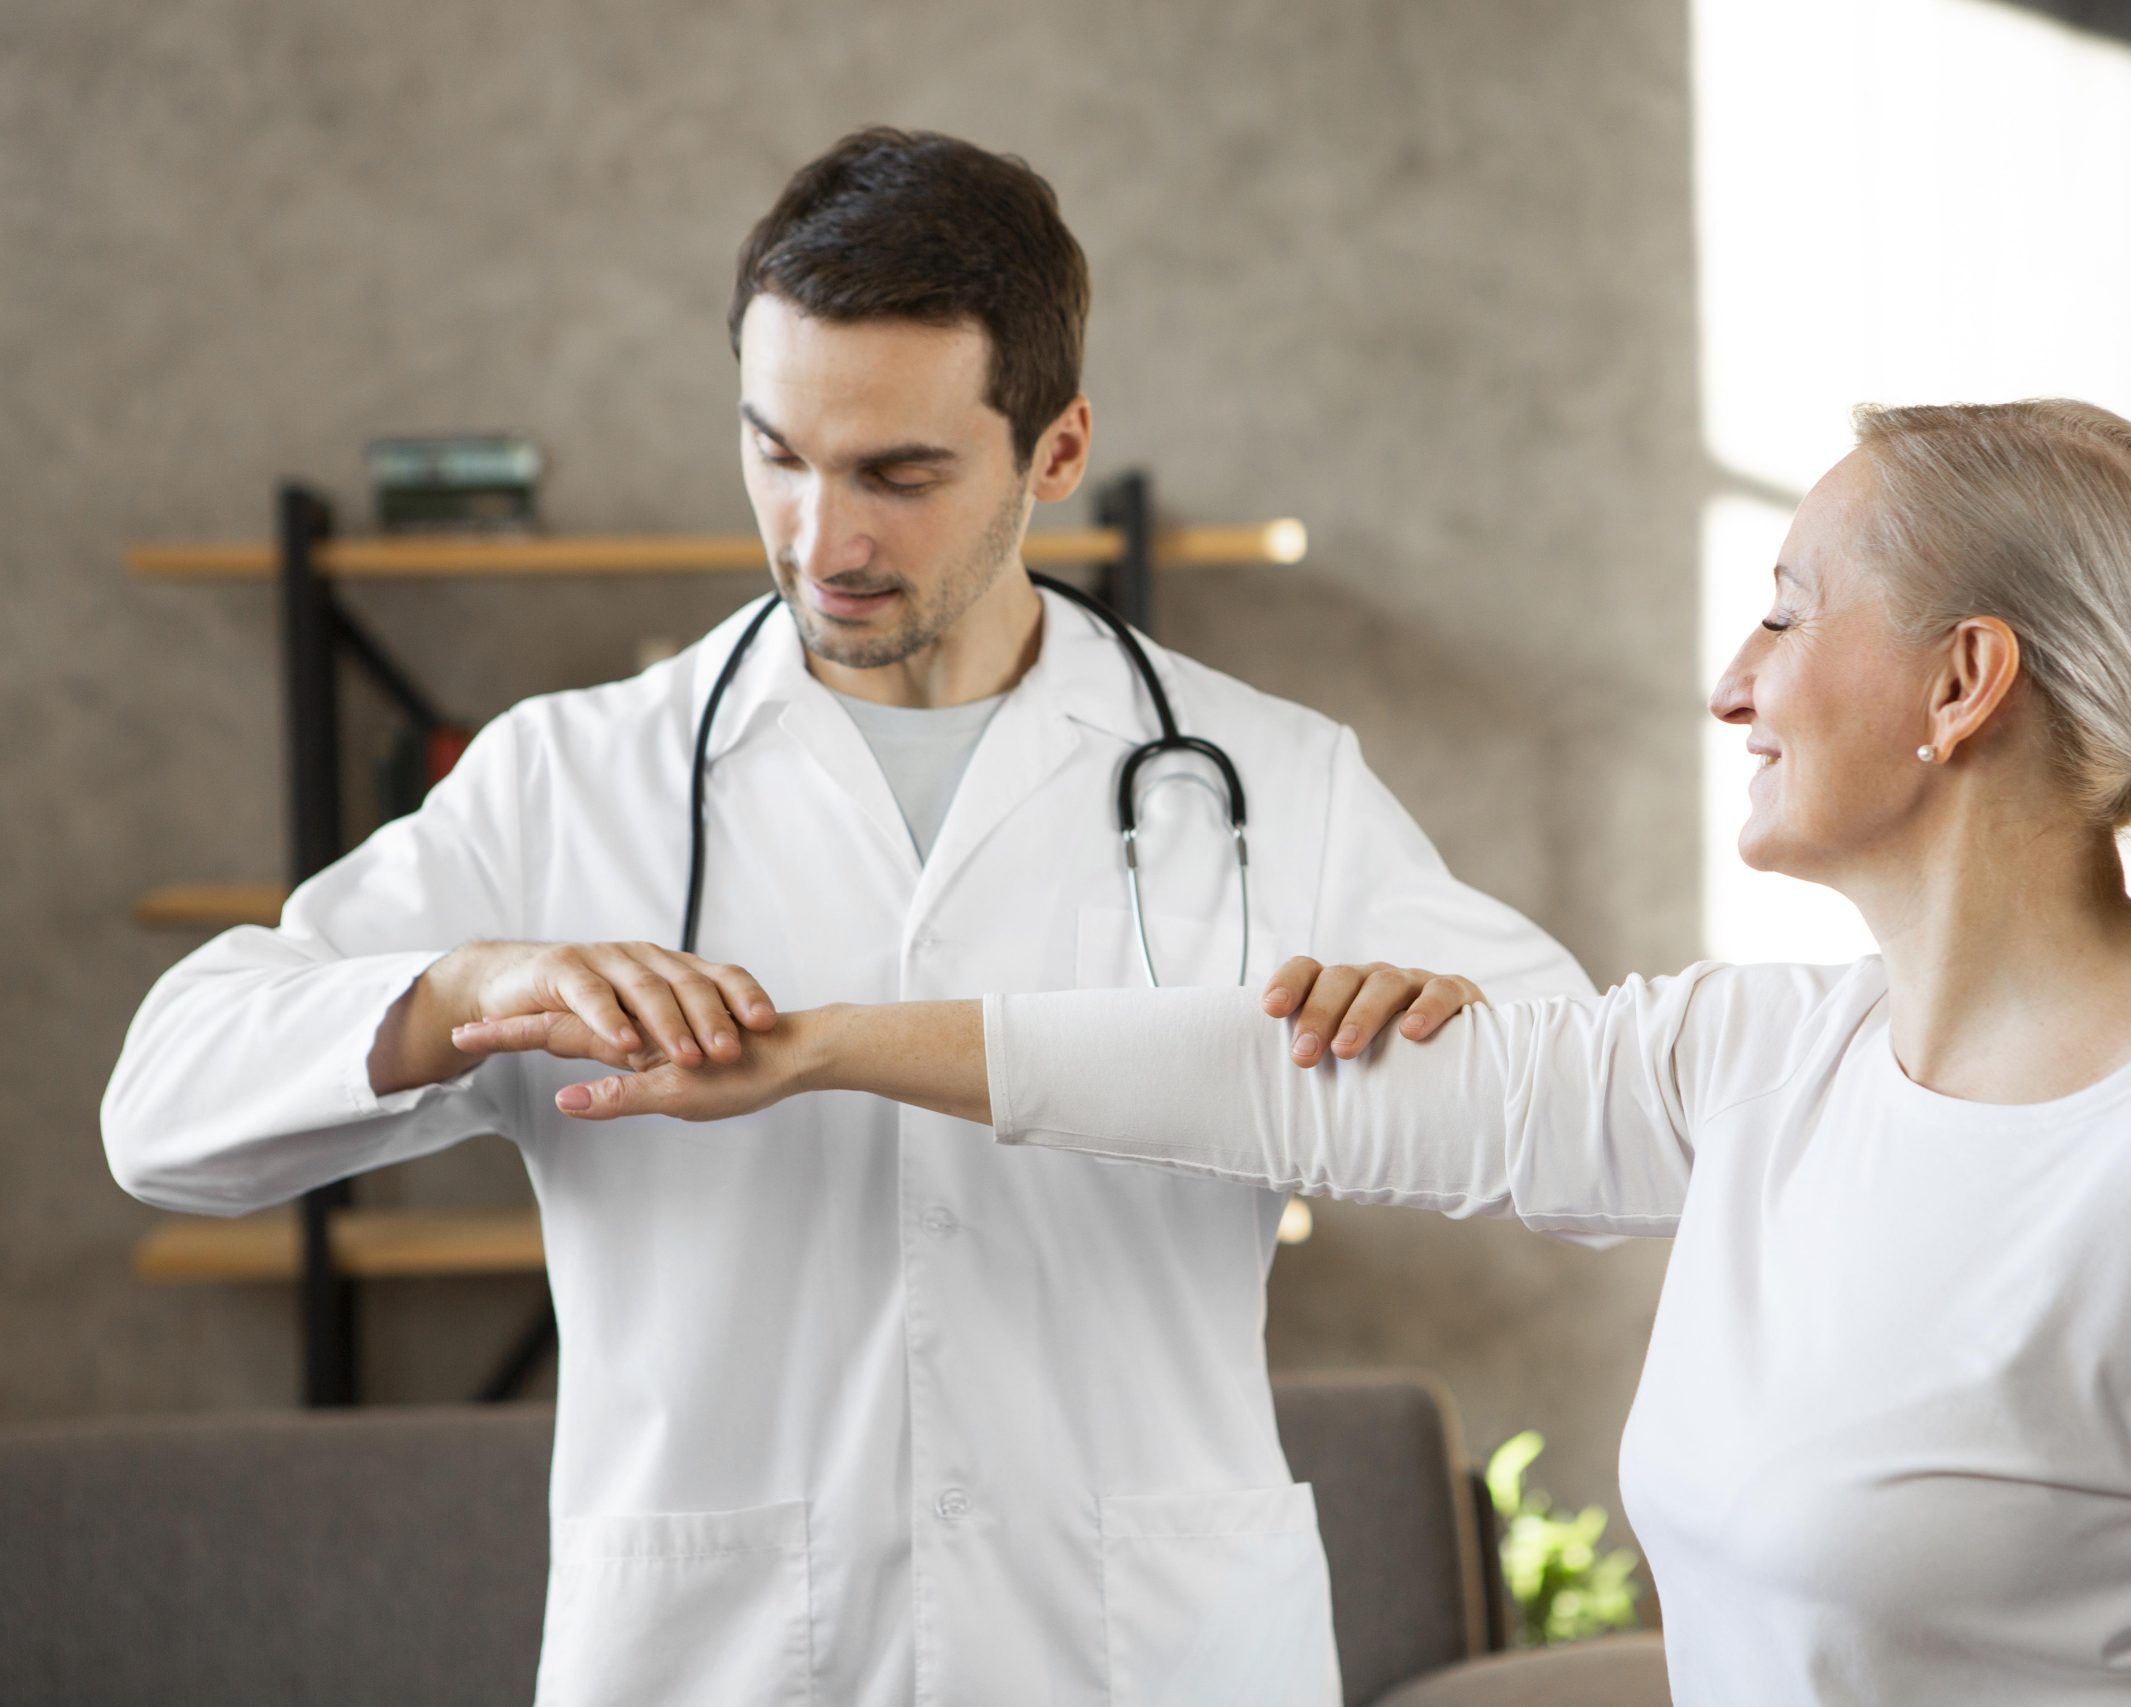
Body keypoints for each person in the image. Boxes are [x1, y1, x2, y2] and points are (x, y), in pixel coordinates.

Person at [482, 400, 2131, 1703]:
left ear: (1960, 683)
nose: (1733, 680)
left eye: (1792, 613)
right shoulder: (1769, 1061)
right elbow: (1275, 1079)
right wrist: (824, 1040)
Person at [101, 127, 1593, 1707]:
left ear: (1058, 451)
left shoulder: (1262, 781)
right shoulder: (569, 781)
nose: (825, 541)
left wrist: (1414, 1035)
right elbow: (163, 1114)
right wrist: (467, 981)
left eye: (899, 473)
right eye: (778, 454)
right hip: (721, 1660)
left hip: (1146, 1657)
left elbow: (1592, 1128)